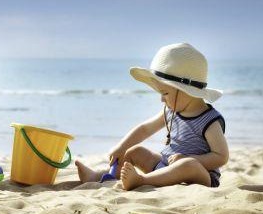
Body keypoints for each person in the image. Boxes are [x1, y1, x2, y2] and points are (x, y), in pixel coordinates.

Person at [76, 43, 229, 190]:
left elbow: (221, 156)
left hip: (199, 175)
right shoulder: (171, 111)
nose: (161, 99)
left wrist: (190, 160)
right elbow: (144, 129)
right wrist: (121, 147)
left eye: (165, 93)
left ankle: (142, 180)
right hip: (164, 167)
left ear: (185, 90)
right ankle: (101, 176)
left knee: (188, 164)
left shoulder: (209, 120)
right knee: (134, 152)